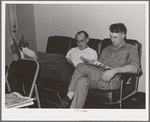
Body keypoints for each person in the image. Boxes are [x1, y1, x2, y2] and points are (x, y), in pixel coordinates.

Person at [56, 23, 140, 108]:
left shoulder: (131, 49)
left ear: (123, 35)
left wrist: (115, 70)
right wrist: (93, 64)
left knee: (80, 66)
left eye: (115, 37)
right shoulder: (106, 49)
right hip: (100, 77)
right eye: (111, 37)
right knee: (81, 81)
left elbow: (135, 68)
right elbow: (98, 68)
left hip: (113, 80)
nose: (112, 40)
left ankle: (67, 99)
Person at [7, 31, 98, 93]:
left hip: (75, 74)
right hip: (61, 74)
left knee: (62, 59)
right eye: (77, 42)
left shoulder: (92, 52)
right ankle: (21, 56)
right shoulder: (73, 50)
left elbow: (90, 71)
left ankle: (24, 50)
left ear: (87, 39)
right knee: (39, 67)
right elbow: (60, 64)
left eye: (82, 41)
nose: (79, 44)